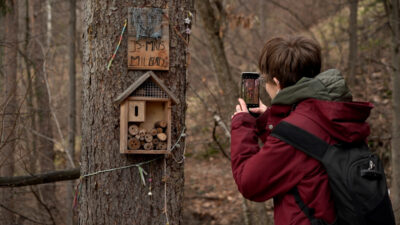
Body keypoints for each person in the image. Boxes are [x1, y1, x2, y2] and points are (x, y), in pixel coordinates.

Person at [230, 36, 373, 225]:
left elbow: (249, 184)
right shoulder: (332, 111)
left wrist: (242, 125)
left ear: (277, 82)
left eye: (266, 80)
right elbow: (306, 150)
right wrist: (268, 120)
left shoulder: (294, 133)